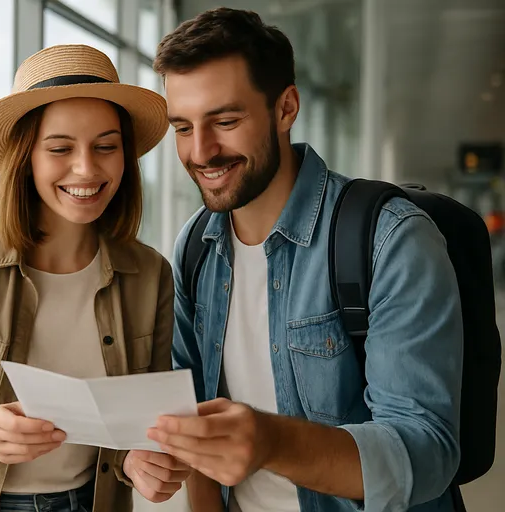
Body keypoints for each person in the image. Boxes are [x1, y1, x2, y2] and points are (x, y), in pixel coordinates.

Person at [145, 8, 464, 512]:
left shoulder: (391, 240)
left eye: (225, 121)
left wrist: (274, 442)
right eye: (183, 127)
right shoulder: (194, 247)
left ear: (286, 108)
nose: (201, 151)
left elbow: (426, 454)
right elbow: (190, 421)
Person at [0, 44, 191, 512]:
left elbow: (139, 423)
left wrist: (141, 462)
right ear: (25, 158)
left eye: (106, 146)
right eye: (60, 148)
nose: (86, 168)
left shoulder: (150, 275)